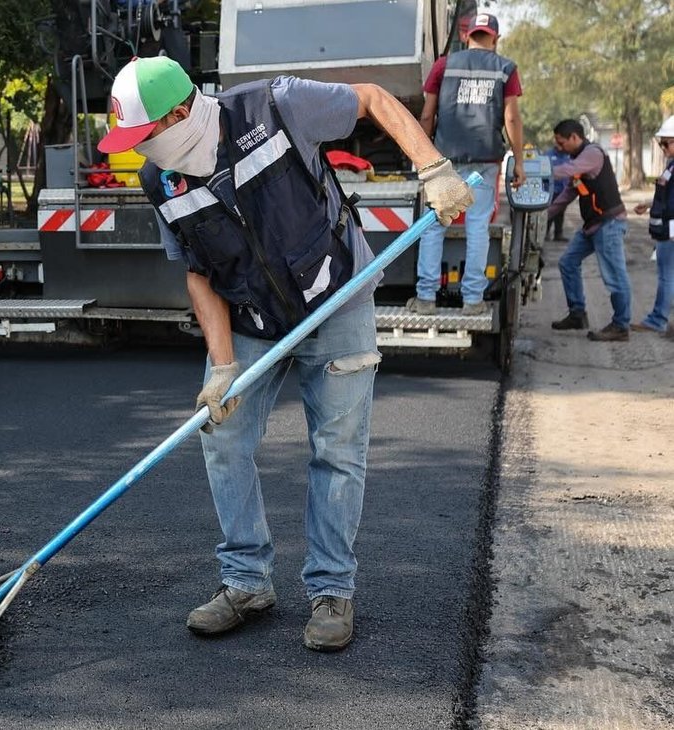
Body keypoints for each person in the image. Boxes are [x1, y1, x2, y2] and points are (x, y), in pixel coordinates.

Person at [97, 56, 472, 651]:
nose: (139, 152)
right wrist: (222, 368)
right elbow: (198, 273)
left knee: (337, 451)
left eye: (143, 137)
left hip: (338, 299)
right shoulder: (158, 182)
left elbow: (373, 98)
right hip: (250, 320)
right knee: (222, 438)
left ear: (178, 113)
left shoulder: (275, 107)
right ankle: (246, 582)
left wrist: (434, 168)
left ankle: (331, 591)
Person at [408, 12, 524, 317]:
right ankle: (472, 301)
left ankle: (426, 299)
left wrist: (420, 154)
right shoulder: (506, 68)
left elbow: (427, 114)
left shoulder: (444, 65)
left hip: (444, 160)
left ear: (465, 36)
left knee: (434, 228)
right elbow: (511, 118)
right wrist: (520, 162)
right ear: (496, 39)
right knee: (477, 228)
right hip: (484, 161)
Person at [546, 119, 631, 342]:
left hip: (609, 224)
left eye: (562, 142)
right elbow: (568, 194)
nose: (559, 147)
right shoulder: (578, 160)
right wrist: (542, 215)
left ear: (575, 137)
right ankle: (577, 314)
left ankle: (621, 326)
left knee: (614, 277)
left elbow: (567, 171)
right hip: (593, 226)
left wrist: (537, 170)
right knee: (568, 263)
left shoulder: (592, 154)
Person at [631, 116, 674, 334]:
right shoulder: (671, 165)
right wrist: (650, 204)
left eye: (667, 143)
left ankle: (658, 320)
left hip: (671, 230)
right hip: (666, 227)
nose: (663, 147)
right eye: (661, 143)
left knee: (667, 275)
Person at [546, 142, 571, 241]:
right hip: (551, 190)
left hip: (563, 190)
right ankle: (545, 233)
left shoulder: (568, 156)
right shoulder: (548, 155)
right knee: (550, 212)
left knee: (560, 213)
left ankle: (558, 234)